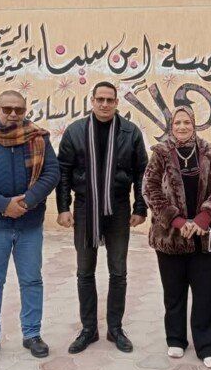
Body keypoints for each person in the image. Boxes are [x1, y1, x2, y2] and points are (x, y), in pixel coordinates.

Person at [0, 90, 60, 363]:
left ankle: (32, 334)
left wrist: (27, 202)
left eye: (19, 109)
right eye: (7, 109)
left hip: (29, 224)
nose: (13, 114)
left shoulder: (38, 138)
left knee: (32, 280)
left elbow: (52, 173)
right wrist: (4, 205)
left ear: (25, 110)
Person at [56, 81, 148, 354]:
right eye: (100, 99)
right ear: (92, 101)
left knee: (118, 272)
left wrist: (140, 207)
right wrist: (63, 207)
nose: (105, 104)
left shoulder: (130, 132)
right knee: (85, 271)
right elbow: (63, 171)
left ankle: (115, 329)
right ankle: (89, 330)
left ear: (117, 103)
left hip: (118, 208)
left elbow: (141, 172)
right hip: (85, 208)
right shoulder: (75, 131)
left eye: (110, 100)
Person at [142, 106, 211, 369]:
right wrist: (177, 221)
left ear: (194, 124)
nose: (182, 127)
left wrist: (204, 217)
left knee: (206, 293)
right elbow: (150, 189)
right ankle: (176, 339)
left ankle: (208, 346)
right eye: (177, 123)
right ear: (171, 126)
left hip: (205, 236)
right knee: (174, 292)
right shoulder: (160, 153)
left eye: (187, 123)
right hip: (171, 236)